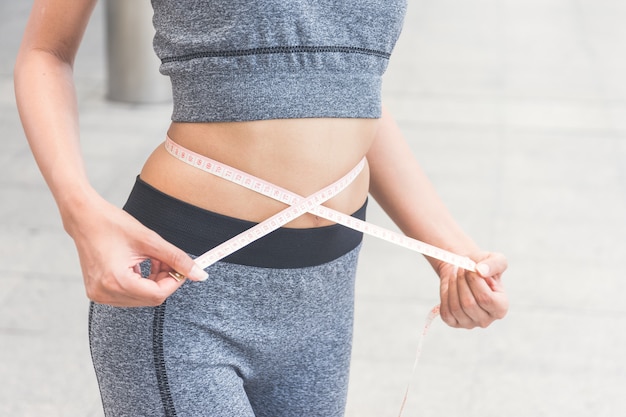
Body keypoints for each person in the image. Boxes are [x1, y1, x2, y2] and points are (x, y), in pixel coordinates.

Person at [14, 1, 508, 416]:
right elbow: (45, 51)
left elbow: (352, 91)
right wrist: (78, 210)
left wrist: (448, 251)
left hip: (326, 296)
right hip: (188, 286)